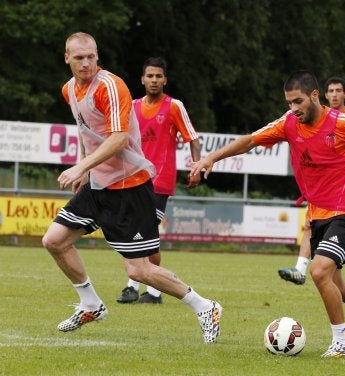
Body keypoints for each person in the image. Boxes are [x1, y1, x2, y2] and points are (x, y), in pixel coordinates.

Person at [191, 70, 345, 357]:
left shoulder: (344, 122)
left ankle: (341, 343)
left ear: (315, 96)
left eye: (298, 101)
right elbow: (251, 140)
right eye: (289, 102)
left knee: (318, 272)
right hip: (318, 213)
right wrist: (211, 157)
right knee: (336, 284)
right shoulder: (289, 123)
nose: (293, 108)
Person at [42, 32, 221, 343]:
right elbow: (86, 132)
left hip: (129, 186)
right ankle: (91, 304)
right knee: (54, 240)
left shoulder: (110, 86)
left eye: (91, 57)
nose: (86, 63)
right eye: (79, 57)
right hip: (98, 185)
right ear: (66, 58)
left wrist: (81, 167)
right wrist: (85, 169)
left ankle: (205, 307)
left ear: (98, 57)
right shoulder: (69, 90)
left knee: (139, 271)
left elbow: (118, 138)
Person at [116, 57, 201, 304]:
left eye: (158, 76)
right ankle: (147, 291)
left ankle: (142, 289)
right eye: (149, 76)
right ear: (142, 79)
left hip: (160, 181)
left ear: (165, 80)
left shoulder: (174, 106)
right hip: (132, 179)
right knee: (134, 233)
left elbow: (192, 139)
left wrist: (196, 166)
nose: (154, 80)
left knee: (145, 233)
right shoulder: (131, 106)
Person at [278, 76, 345, 287]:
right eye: (331, 91)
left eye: (339, 90)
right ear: (324, 95)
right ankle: (300, 269)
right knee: (309, 224)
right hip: (323, 188)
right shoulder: (315, 117)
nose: (335, 94)